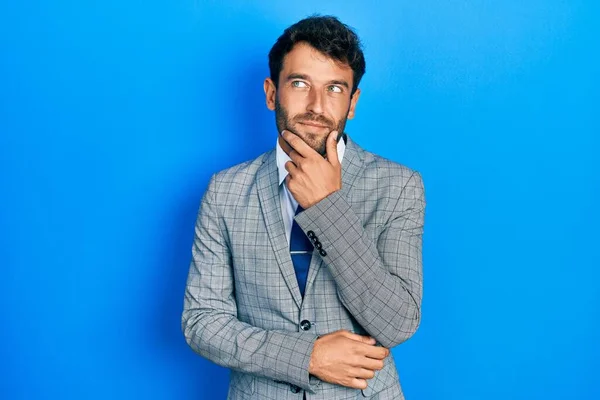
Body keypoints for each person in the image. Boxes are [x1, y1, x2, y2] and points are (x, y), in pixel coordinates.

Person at [182, 15, 425, 400]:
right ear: (271, 92)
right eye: (300, 84)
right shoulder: (225, 190)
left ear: (352, 103)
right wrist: (307, 356)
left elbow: (396, 323)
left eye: (334, 88)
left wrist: (328, 206)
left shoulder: (397, 186)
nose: (316, 105)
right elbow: (202, 323)